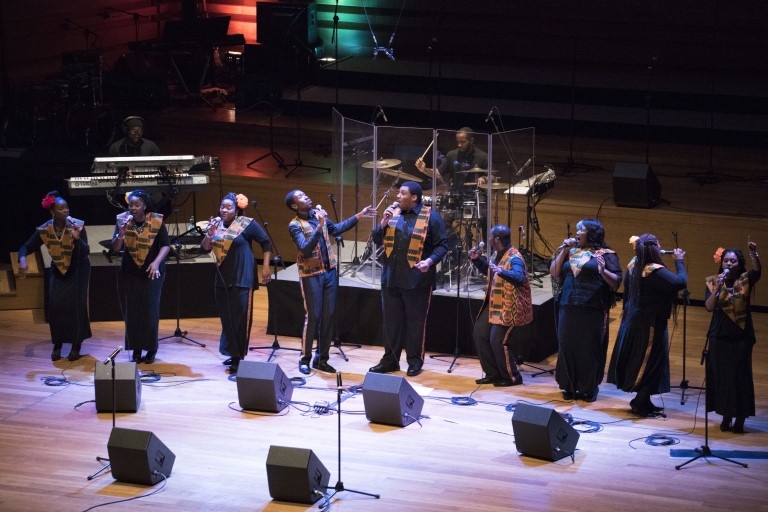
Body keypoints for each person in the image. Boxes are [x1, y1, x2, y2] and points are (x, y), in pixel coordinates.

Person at [285, 190, 373, 375]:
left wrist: (360, 215)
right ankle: (305, 358)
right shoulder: (294, 225)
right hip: (311, 274)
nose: (307, 196)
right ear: (294, 206)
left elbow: (336, 229)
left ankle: (321, 359)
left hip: (329, 272)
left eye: (305, 194)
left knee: (328, 316)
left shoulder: (318, 214)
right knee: (313, 317)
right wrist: (319, 228)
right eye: (301, 196)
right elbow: (306, 249)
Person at [369, 181, 449, 377]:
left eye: (402, 193)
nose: (397, 196)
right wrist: (383, 222)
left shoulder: (432, 217)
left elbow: (442, 245)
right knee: (391, 322)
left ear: (414, 198)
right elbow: (377, 239)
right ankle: (390, 361)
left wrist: (429, 261)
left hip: (417, 281)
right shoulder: (393, 214)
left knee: (415, 322)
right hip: (391, 278)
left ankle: (414, 361)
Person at [607, 234, 687, 417]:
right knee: (648, 364)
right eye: (658, 244)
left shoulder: (634, 264)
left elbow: (627, 292)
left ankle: (644, 400)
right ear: (653, 249)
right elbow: (679, 282)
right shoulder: (654, 270)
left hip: (635, 320)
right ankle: (640, 403)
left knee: (647, 362)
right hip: (649, 324)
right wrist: (679, 261)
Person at [550, 218, 621, 402]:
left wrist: (603, 269)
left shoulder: (606, 254)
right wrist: (564, 250)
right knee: (567, 345)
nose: (577, 233)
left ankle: (588, 388)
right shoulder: (571, 252)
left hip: (592, 307)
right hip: (568, 304)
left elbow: (616, 282)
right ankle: (569, 385)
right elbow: (555, 273)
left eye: (580, 230)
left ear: (591, 233)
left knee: (588, 348)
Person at [201, 192, 272, 374]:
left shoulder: (247, 224)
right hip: (222, 278)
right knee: (227, 318)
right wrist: (209, 234)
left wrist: (265, 268)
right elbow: (205, 247)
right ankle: (231, 352)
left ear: (236, 209)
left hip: (242, 277)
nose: (224, 210)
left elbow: (266, 243)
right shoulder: (216, 225)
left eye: (228, 207)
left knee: (239, 319)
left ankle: (238, 358)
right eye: (222, 207)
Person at [18, 191, 91, 361]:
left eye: (66, 207)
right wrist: (22, 259)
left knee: (76, 306)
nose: (65, 210)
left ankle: (76, 344)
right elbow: (26, 247)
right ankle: (58, 343)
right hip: (58, 268)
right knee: (56, 306)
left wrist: (77, 239)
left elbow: (85, 252)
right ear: (52, 211)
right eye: (61, 208)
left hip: (78, 269)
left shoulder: (77, 225)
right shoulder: (45, 228)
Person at [704, 241, 761, 433]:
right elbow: (709, 306)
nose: (729, 264)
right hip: (719, 336)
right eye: (726, 260)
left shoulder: (745, 280)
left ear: (739, 263)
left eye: (733, 261)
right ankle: (726, 414)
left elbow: (757, 271)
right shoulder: (714, 281)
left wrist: (754, 254)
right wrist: (718, 287)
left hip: (740, 337)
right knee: (723, 378)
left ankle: (741, 417)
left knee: (740, 377)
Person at [469, 224, 532, 386]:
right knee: (480, 334)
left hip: (509, 306)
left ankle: (511, 377)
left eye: (490, 237)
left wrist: (502, 271)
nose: (488, 239)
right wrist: (477, 261)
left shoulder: (515, 258)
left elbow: (519, 278)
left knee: (497, 340)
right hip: (494, 304)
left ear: (496, 240)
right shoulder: (497, 255)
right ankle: (493, 374)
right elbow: (491, 272)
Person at [111, 189, 171, 364]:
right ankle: (136, 348)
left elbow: (166, 245)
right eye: (131, 205)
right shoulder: (122, 220)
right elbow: (115, 247)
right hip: (130, 272)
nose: (133, 208)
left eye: (137, 205)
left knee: (150, 311)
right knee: (134, 311)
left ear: (144, 205)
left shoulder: (156, 220)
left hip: (153, 272)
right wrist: (121, 234)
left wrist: (156, 262)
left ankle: (151, 349)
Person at [415, 127, 489, 241]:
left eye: (463, 142)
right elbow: (438, 173)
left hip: (477, 197)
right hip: (457, 196)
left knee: (486, 223)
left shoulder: (483, 156)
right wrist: (424, 170)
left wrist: (484, 177)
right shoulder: (452, 155)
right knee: (444, 224)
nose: (459, 145)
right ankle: (444, 249)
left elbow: (493, 176)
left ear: (472, 140)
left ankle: (487, 252)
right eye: (458, 142)